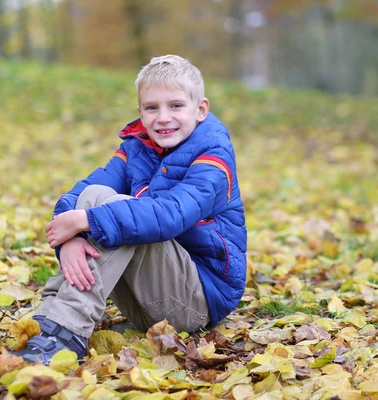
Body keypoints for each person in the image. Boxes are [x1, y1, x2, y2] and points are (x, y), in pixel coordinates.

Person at [14, 55, 247, 364]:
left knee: (118, 209)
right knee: (98, 194)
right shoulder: (137, 146)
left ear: (200, 109)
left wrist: (87, 221)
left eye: (176, 106)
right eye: (152, 108)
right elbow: (83, 191)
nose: (163, 117)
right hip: (145, 301)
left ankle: (65, 330)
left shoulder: (214, 156)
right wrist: (69, 238)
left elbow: (170, 215)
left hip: (194, 301)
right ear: (141, 111)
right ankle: (52, 321)